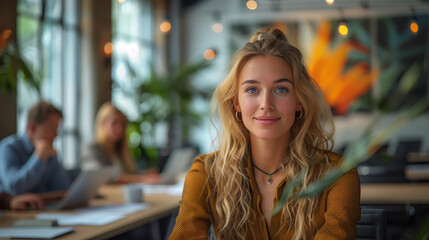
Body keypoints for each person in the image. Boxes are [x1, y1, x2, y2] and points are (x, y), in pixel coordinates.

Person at [169, 28, 361, 239]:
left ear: (299, 101)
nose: (266, 104)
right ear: (236, 103)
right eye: (252, 90)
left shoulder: (338, 175)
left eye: (281, 89)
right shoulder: (205, 173)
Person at [0, 101, 71, 195]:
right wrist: (39, 157)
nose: (56, 135)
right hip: (16, 209)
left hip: (44, 208)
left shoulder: (49, 152)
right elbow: (14, 187)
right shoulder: (8, 148)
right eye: (51, 128)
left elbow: (64, 189)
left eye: (57, 129)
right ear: (32, 127)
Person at [80, 102, 160, 184]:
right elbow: (100, 177)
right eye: (114, 123)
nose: (120, 128)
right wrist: (142, 179)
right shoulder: (92, 148)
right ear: (102, 124)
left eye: (122, 124)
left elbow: (128, 174)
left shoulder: (119, 149)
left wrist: (145, 174)